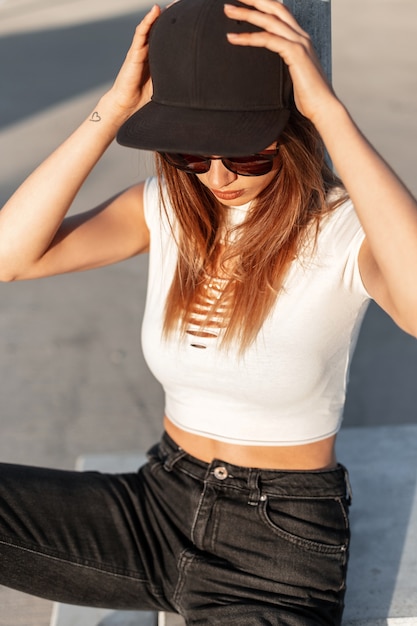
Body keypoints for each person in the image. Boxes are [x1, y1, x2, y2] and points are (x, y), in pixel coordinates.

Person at [0, 0, 416, 623]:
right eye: (193, 154)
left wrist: (329, 112)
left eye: (246, 153)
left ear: (293, 133)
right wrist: (112, 110)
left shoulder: (345, 231)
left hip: (276, 549)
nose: (218, 177)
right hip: (155, 504)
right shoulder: (168, 208)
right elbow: (11, 257)